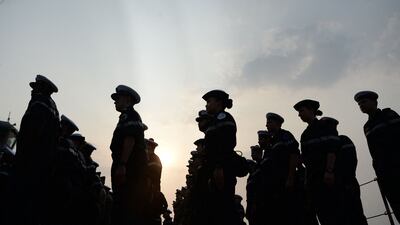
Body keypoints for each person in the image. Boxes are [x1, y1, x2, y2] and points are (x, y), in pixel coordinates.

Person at [14, 75, 60, 225]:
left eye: (35, 88)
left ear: (41, 89)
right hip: (45, 163)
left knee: (24, 203)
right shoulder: (53, 107)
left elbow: (32, 133)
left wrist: (22, 157)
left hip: (31, 160)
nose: (32, 91)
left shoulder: (39, 103)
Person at [294, 99, 345, 225]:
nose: (299, 114)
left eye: (302, 111)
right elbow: (306, 159)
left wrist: (329, 171)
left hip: (327, 178)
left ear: (312, 110)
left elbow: (331, 150)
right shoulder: (305, 134)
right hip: (314, 180)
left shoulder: (326, 126)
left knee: (336, 214)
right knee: (323, 215)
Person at [354, 90, 400, 221]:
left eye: (364, 102)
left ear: (374, 102)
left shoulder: (388, 115)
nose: (361, 105)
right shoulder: (367, 126)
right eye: (359, 104)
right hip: (385, 173)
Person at [110, 85, 149, 225]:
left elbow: (129, 140)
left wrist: (122, 165)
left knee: (126, 211)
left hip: (129, 170)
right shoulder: (126, 116)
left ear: (127, 99)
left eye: (118, 98)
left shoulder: (130, 115)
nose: (115, 101)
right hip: (129, 169)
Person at [320, 117, 368, 225]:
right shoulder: (327, 145)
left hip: (347, 184)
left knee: (355, 215)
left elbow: (350, 162)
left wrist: (344, 180)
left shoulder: (343, 140)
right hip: (337, 186)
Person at [201, 89, 239, 225]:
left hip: (222, 168)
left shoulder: (224, 118)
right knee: (215, 210)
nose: (206, 105)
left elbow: (226, 144)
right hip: (214, 168)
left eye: (209, 101)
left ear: (218, 102)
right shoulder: (213, 121)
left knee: (224, 208)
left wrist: (219, 166)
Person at [260, 112, 300, 225]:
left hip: (285, 181)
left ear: (277, 123)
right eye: (266, 122)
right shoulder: (271, 142)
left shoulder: (285, 136)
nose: (266, 125)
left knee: (289, 214)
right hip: (273, 185)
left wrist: (291, 177)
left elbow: (294, 155)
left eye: (269, 122)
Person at [146, 138, 165, 225]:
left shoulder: (154, 159)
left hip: (152, 190)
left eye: (148, 147)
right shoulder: (149, 158)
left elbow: (151, 177)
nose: (146, 149)